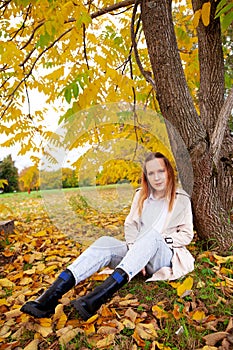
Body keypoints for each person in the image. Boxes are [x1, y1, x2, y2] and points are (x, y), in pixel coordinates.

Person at [20, 152, 195, 321]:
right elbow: (130, 225)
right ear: (146, 176)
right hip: (136, 253)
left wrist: (159, 240)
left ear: (169, 172)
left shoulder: (181, 199)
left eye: (160, 171)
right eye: (151, 173)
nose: (156, 177)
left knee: (152, 236)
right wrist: (136, 251)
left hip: (163, 256)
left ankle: (95, 299)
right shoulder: (141, 195)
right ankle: (49, 298)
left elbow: (187, 234)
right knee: (105, 243)